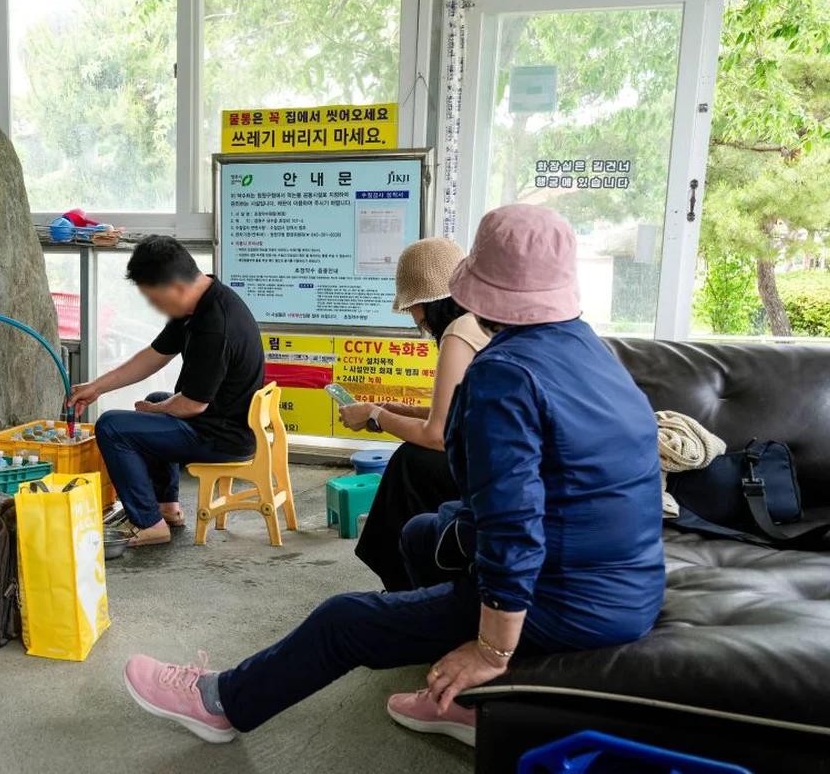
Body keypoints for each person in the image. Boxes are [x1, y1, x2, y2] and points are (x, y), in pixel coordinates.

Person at [121, 204, 666, 745]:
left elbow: (512, 524)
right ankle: (459, 692)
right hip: (632, 589)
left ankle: (221, 703)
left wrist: (490, 650)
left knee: (344, 620)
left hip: (565, 600)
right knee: (422, 531)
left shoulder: (505, 372)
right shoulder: (589, 347)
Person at [69, 237, 264, 547]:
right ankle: (166, 508)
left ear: (176, 287)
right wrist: (96, 387)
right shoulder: (200, 302)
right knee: (158, 400)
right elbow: (154, 355)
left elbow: (192, 405)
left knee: (112, 427)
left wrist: (154, 412)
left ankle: (149, 524)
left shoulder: (215, 325)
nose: (155, 307)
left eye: (155, 299)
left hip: (223, 438)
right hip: (225, 422)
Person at [337, 238, 489, 591]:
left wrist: (376, 415)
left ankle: (400, 581)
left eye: (414, 307)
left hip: (489, 466)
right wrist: (395, 412)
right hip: (507, 456)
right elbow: (455, 412)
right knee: (412, 460)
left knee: (411, 463)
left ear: (429, 302)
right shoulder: (481, 321)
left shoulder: (459, 332)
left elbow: (438, 435)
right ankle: (405, 571)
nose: (413, 317)